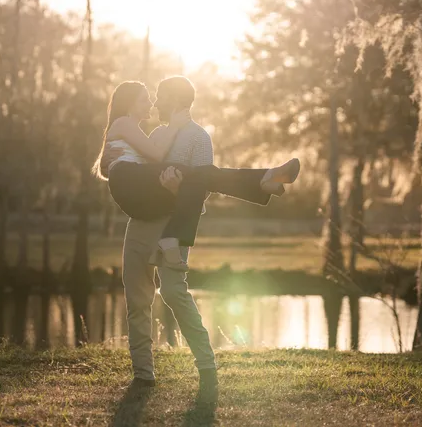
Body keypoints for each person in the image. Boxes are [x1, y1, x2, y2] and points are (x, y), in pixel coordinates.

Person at [99, 76, 291, 402]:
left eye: (159, 97)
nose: (155, 104)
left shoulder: (198, 137)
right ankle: (143, 375)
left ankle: (206, 364)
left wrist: (175, 191)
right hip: (141, 223)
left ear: (174, 100)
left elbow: (199, 193)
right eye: (150, 97)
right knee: (137, 298)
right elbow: (139, 175)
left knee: (174, 292)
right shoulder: (157, 134)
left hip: (173, 223)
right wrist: (112, 163)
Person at [92, 80, 299, 272]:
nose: (151, 104)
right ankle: (264, 179)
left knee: (199, 175)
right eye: (144, 99)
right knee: (200, 173)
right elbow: (155, 156)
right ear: (130, 104)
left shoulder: (134, 130)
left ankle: (263, 181)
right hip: (128, 181)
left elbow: (114, 166)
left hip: (133, 190)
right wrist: (174, 126)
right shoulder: (124, 123)